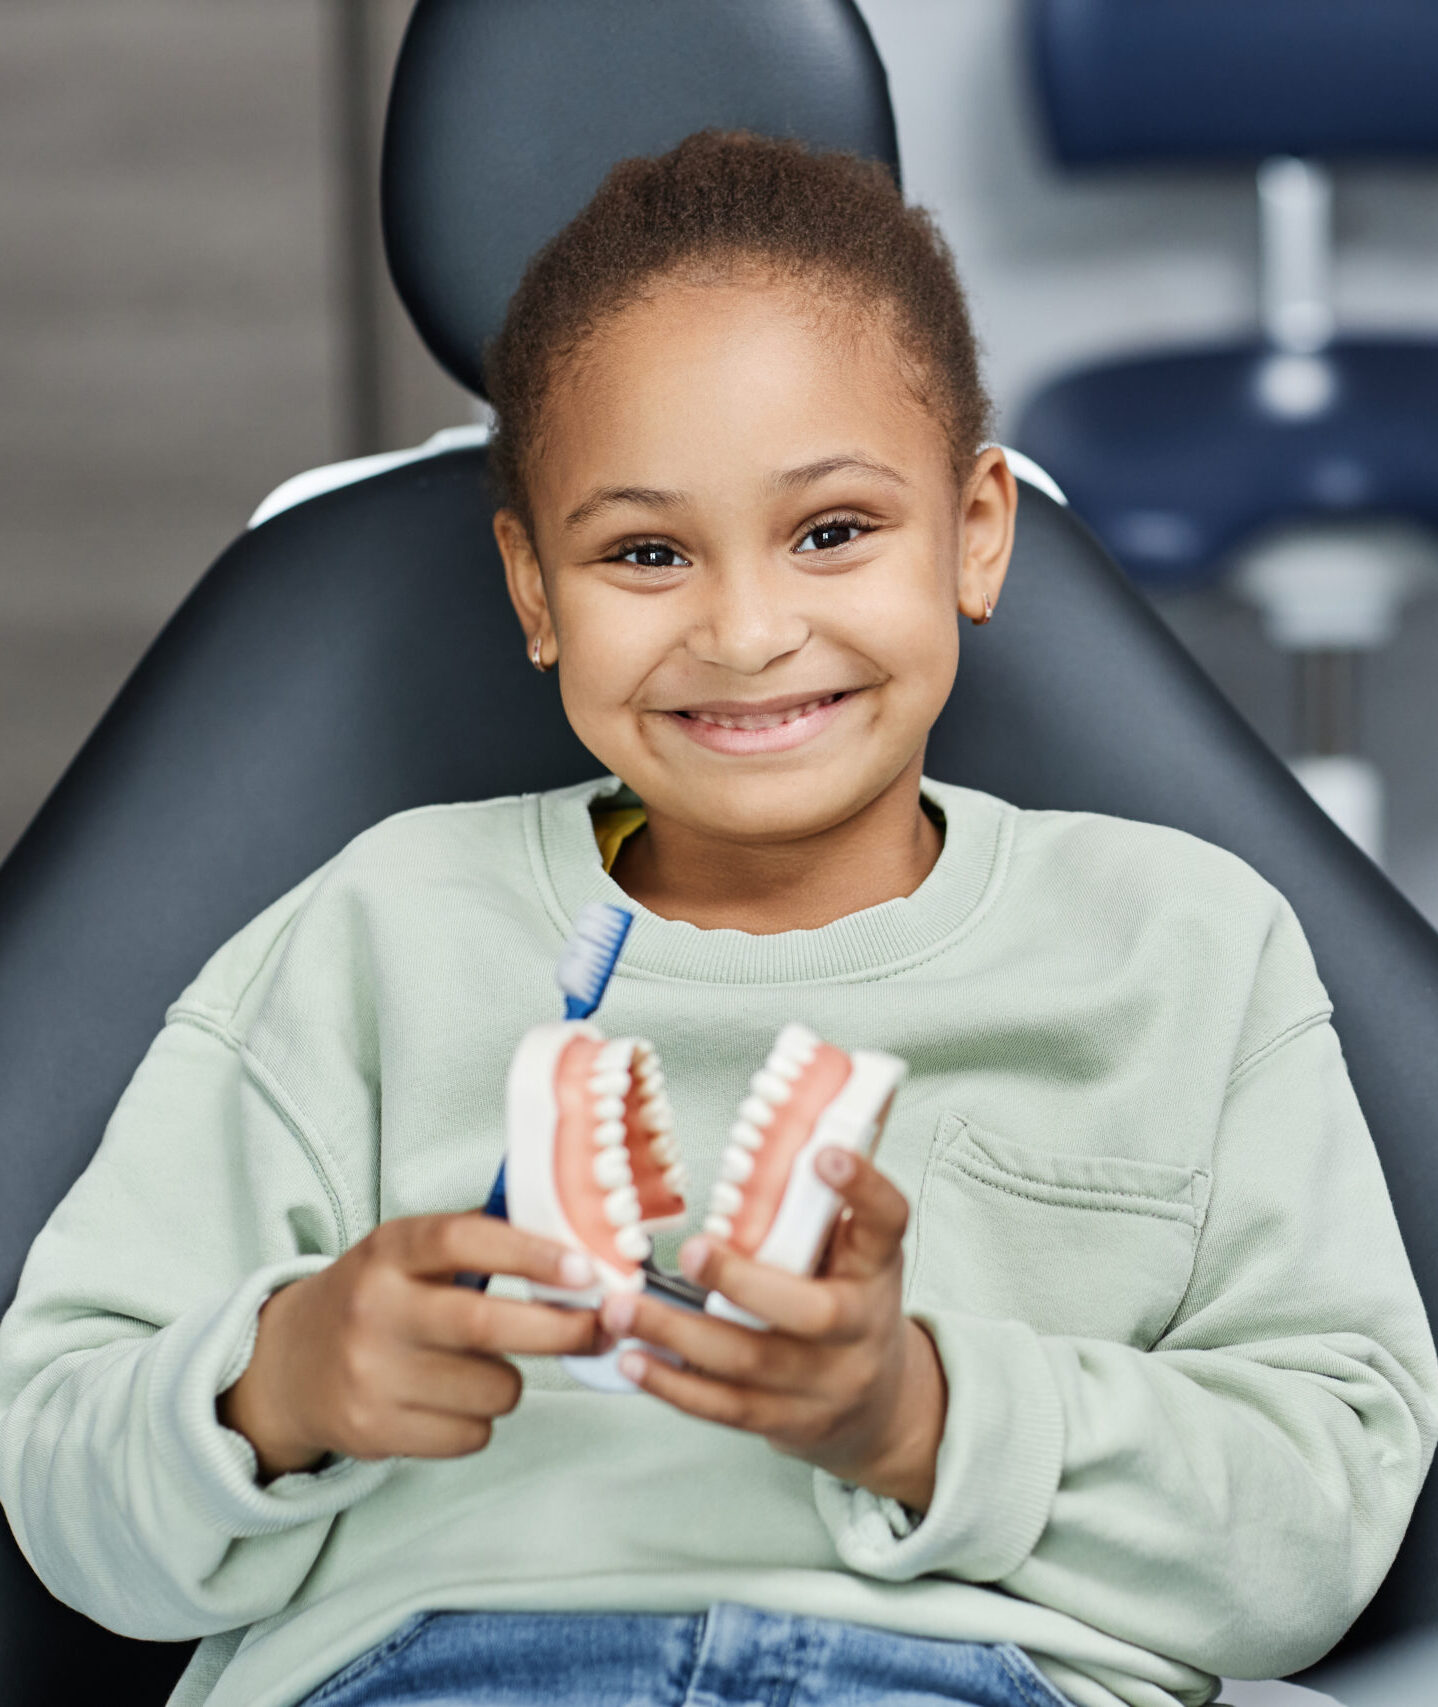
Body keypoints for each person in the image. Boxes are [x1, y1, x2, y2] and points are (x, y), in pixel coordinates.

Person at [1, 131, 1434, 1707]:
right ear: (534, 592)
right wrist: (275, 1384)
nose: (747, 634)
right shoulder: (372, 938)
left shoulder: (1183, 949)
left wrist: (923, 1415)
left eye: (831, 531)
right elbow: (67, 1484)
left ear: (974, 531)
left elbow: (1322, 1523)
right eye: (644, 553)